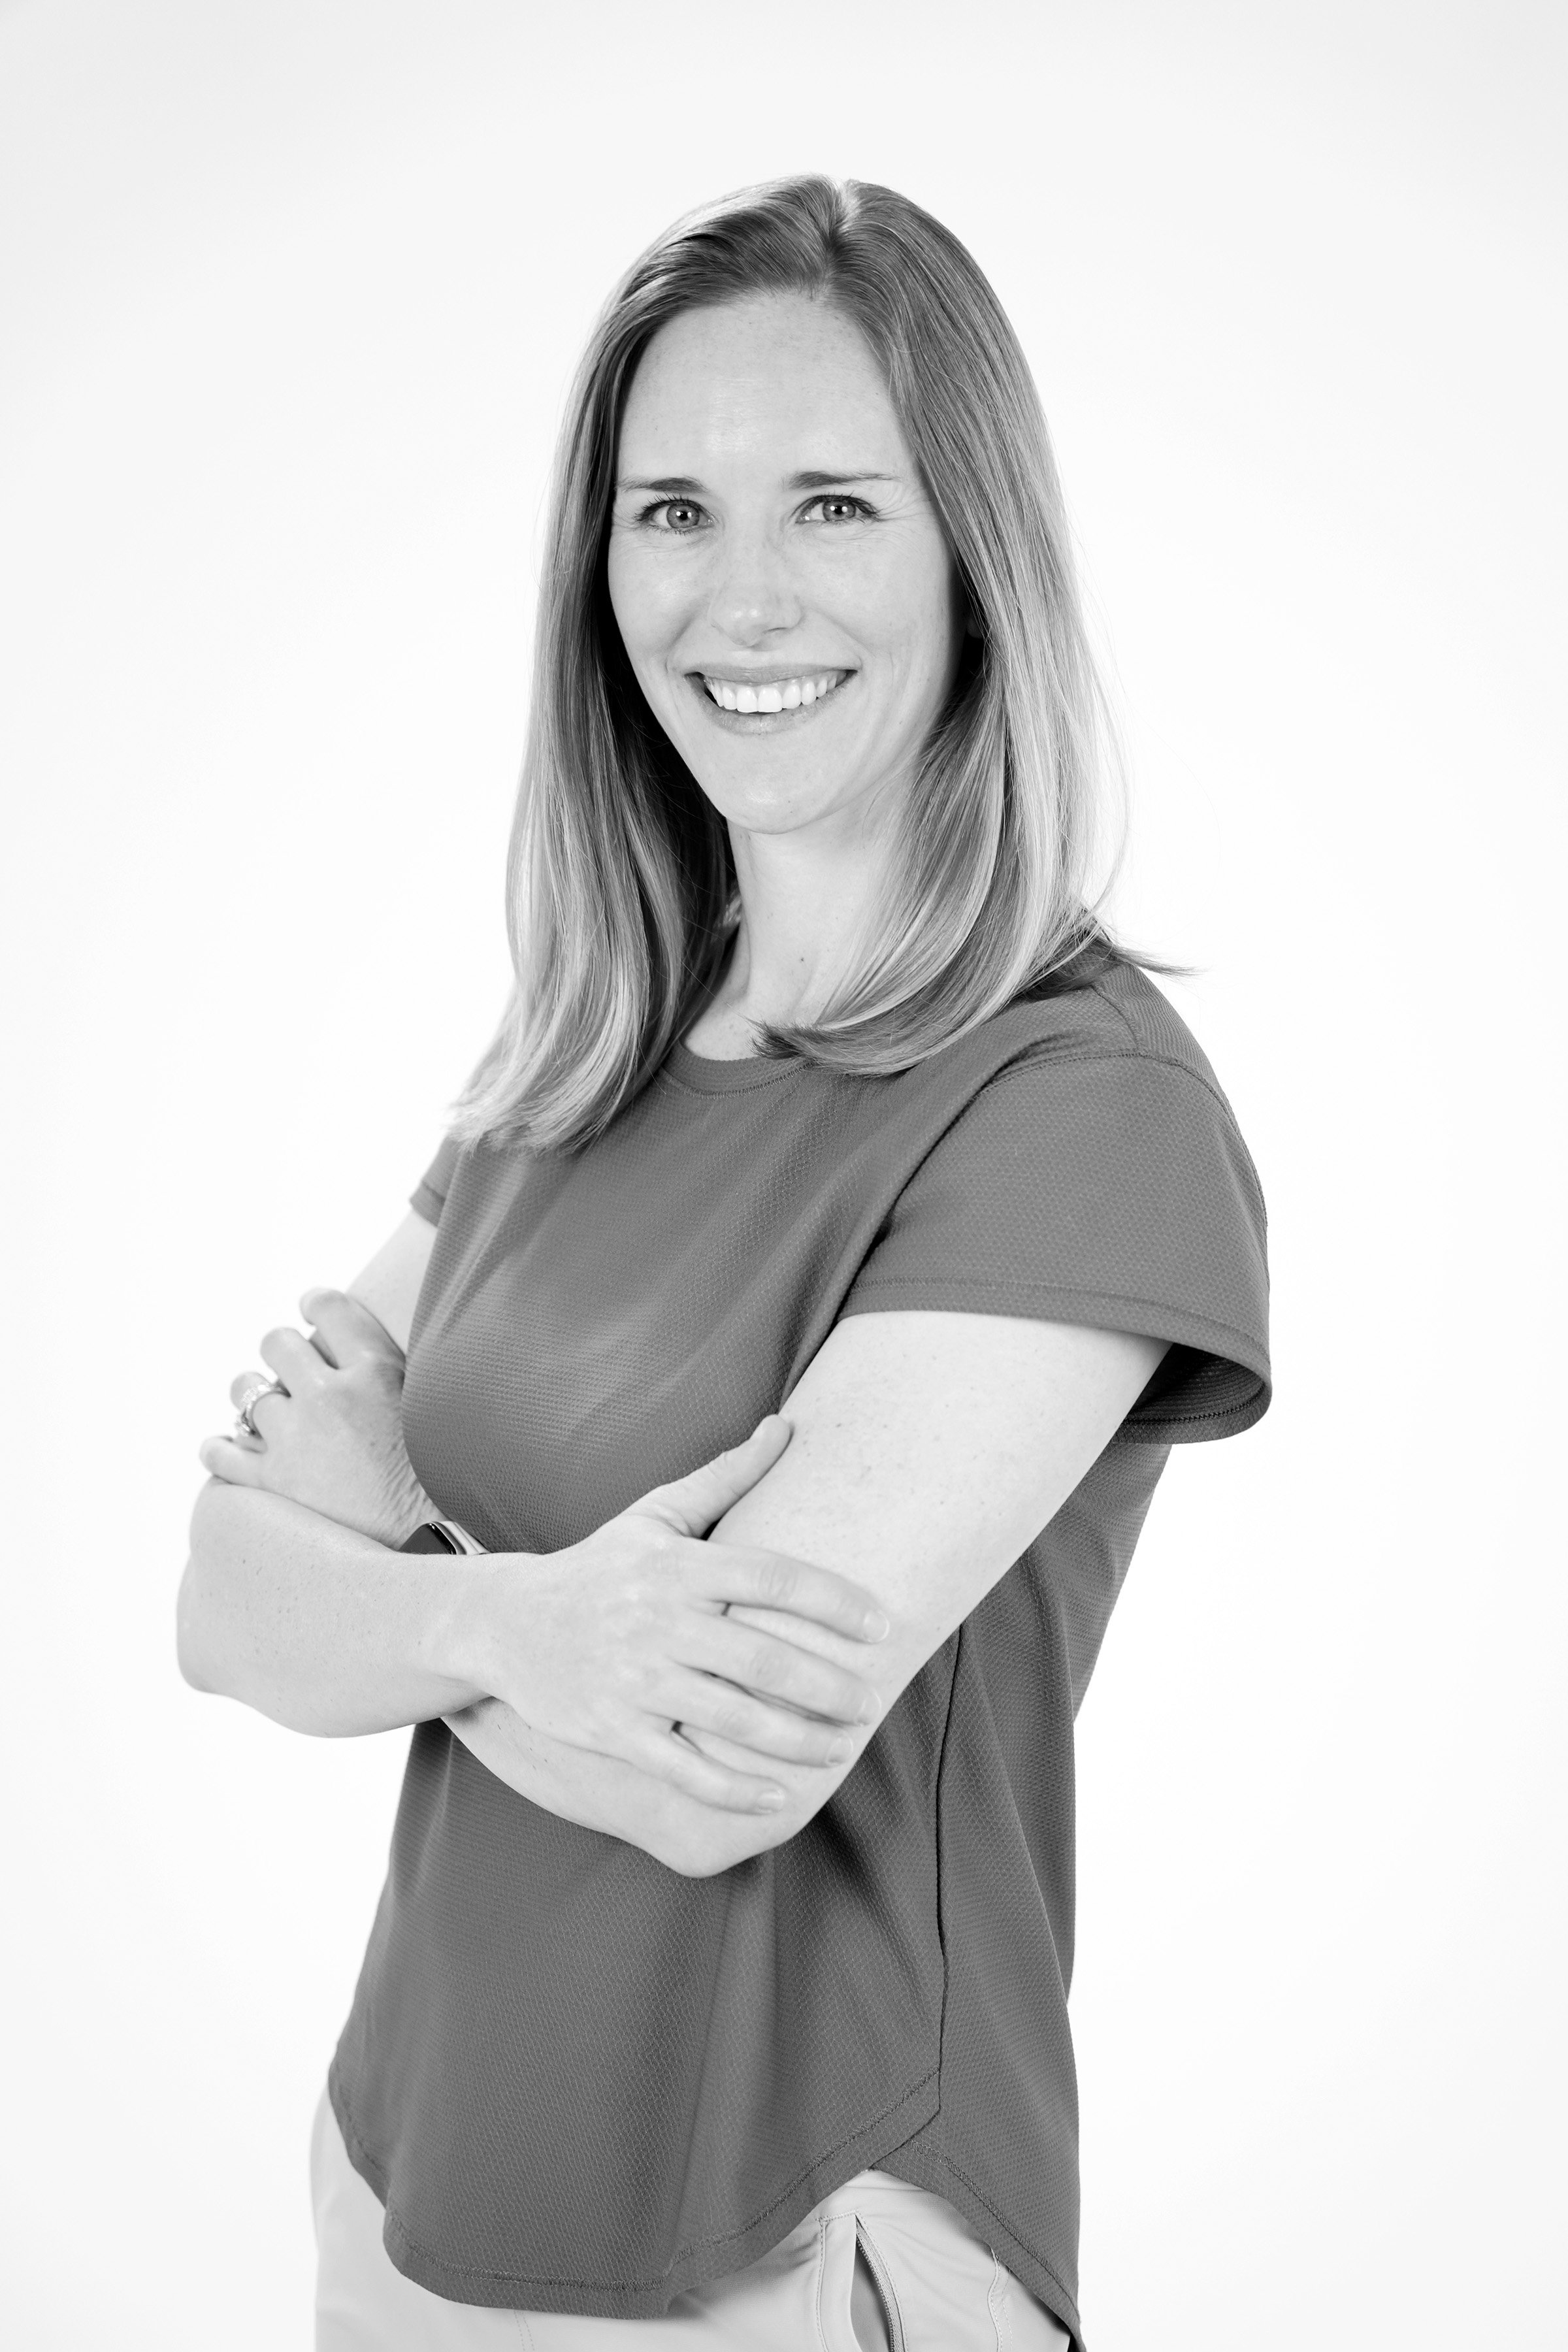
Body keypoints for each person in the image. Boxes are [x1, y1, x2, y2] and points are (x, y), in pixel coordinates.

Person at [178, 175, 1270, 2352]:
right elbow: (221, 1609)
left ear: (976, 559)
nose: (739, 595)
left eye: (836, 507)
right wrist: (515, 1617)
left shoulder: (1077, 1107)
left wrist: (389, 1538)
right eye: (671, 511)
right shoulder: (571, 1063)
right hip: (409, 2202)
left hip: (784, 2242)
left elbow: (710, 1750)